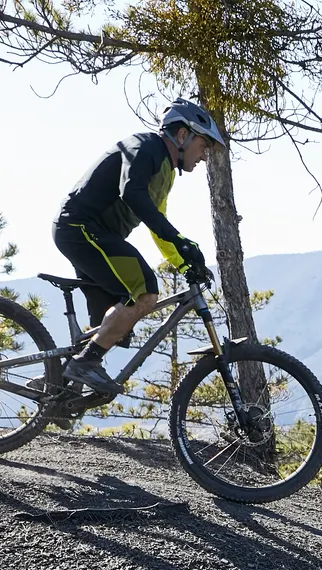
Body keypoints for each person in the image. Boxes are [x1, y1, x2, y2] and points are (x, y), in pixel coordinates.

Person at [52, 98, 223, 395]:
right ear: (183, 135)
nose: (205, 156)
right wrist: (180, 240)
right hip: (79, 228)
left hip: (93, 236)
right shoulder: (144, 148)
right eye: (203, 145)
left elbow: (157, 221)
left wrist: (183, 259)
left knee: (113, 327)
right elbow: (132, 194)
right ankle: (81, 367)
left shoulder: (166, 171)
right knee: (146, 293)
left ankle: (59, 389)